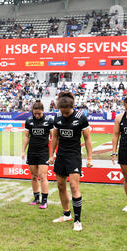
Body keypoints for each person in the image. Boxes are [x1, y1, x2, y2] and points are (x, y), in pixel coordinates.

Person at [49, 92, 93, 231]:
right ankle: (66, 214)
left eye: (67, 112)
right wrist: (51, 155)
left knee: (74, 187)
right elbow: (55, 137)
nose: (65, 114)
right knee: (61, 186)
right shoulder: (57, 117)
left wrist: (90, 157)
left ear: (72, 107)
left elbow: (87, 139)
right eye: (62, 112)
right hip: (60, 156)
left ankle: (78, 220)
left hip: (74, 156)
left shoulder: (81, 118)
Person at [21, 100, 54, 209]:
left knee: (43, 176)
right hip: (31, 152)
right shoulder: (29, 121)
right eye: (35, 113)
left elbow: (54, 138)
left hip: (43, 152)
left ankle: (44, 201)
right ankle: (36, 198)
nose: (37, 115)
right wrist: (22, 151)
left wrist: (53, 154)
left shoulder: (49, 121)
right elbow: (26, 137)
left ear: (43, 111)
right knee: (34, 176)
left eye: (39, 113)